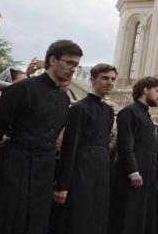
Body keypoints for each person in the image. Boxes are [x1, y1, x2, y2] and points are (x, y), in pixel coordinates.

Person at [0, 39, 80, 234]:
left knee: (35, 223)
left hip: (44, 172)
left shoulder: (63, 98)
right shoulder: (22, 89)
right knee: (5, 221)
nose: (73, 69)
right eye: (69, 63)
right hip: (12, 167)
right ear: (53, 60)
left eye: (76, 65)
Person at [51, 63, 117, 234]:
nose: (110, 82)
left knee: (97, 215)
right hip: (81, 169)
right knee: (78, 216)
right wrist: (63, 184)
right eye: (105, 78)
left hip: (101, 169)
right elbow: (69, 146)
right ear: (92, 79)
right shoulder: (79, 108)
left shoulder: (109, 112)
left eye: (113, 79)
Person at [109, 76, 158, 234]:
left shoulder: (144, 114)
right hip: (133, 175)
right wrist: (133, 172)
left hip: (146, 173)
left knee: (140, 218)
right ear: (146, 90)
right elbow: (125, 145)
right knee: (127, 218)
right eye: (157, 90)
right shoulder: (129, 111)